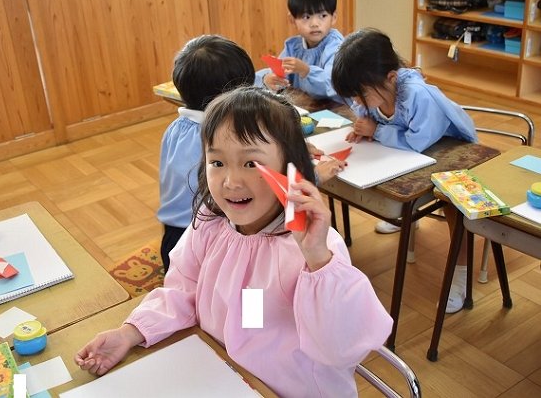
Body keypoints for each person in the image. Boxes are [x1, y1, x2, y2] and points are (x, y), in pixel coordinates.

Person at [75, 87, 392, 397]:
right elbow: (183, 291)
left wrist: (318, 258)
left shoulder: (313, 247)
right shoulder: (211, 224)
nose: (230, 181)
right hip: (223, 373)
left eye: (251, 163)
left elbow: (340, 348)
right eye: (217, 163)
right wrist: (130, 332)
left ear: (290, 168)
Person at [331, 28, 478, 313]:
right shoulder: (376, 91)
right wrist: (363, 127)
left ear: (391, 78)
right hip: (412, 158)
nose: (357, 101)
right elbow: (368, 114)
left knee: (452, 205)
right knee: (397, 187)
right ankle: (408, 217)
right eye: (354, 96)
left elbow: (416, 141)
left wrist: (376, 131)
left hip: (453, 155)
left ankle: (460, 276)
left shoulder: (418, 96)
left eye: (361, 94)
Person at [157, 34, 255, 273]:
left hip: (171, 239)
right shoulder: (221, 138)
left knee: (188, 290)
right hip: (206, 243)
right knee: (251, 280)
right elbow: (258, 190)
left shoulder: (176, 128)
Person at [255, 0, 344, 104]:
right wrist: (268, 79)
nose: (314, 24)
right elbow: (279, 72)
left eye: (323, 16)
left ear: (334, 17)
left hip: (336, 109)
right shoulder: (294, 47)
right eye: (306, 17)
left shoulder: (336, 46)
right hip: (307, 106)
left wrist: (306, 71)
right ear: (292, 20)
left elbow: (331, 85)